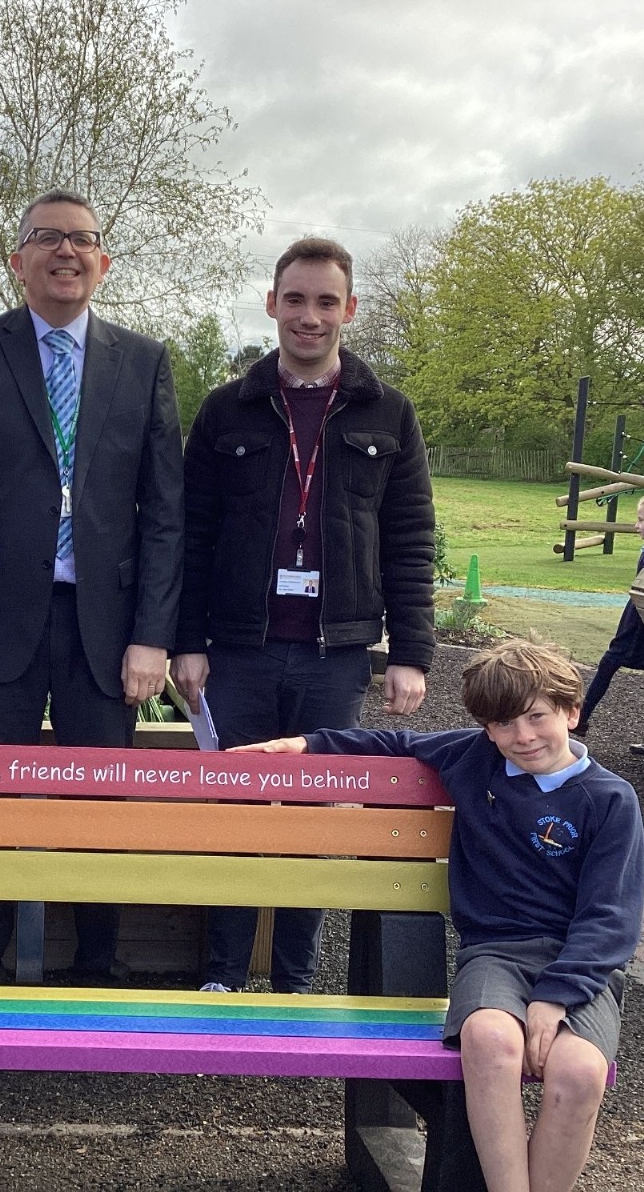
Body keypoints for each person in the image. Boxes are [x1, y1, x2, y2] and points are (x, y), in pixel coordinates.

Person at [237, 639, 644, 1192]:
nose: (522, 737)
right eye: (503, 725)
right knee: (489, 1039)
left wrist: (557, 995)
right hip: (495, 955)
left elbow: (610, 918)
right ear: (485, 728)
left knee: (579, 1071)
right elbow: (391, 741)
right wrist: (307, 743)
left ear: (572, 712)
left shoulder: (611, 799)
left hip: (582, 967)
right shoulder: (475, 757)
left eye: (537, 717)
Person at [0, 189, 184, 984]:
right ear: (17, 258)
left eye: (83, 240)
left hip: (107, 628)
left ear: (104, 262)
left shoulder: (145, 362)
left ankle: (97, 967)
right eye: (47, 239)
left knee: (98, 807)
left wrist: (153, 634)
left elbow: (165, 512)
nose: (66, 252)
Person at [172, 237, 436, 994]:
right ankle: (222, 974)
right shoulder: (229, 410)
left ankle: (292, 980)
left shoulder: (389, 412)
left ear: (349, 310)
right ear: (271, 305)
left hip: (336, 656)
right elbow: (194, 536)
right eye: (296, 300)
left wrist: (411, 652)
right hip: (240, 652)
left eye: (326, 302)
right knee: (232, 816)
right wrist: (188, 642)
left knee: (314, 822)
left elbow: (410, 538)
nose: (310, 317)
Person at [574, 496, 644, 741]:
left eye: (641, 520)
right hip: (635, 614)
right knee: (609, 662)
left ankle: (581, 718)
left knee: (610, 661)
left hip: (638, 620)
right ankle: (581, 718)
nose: (637, 526)